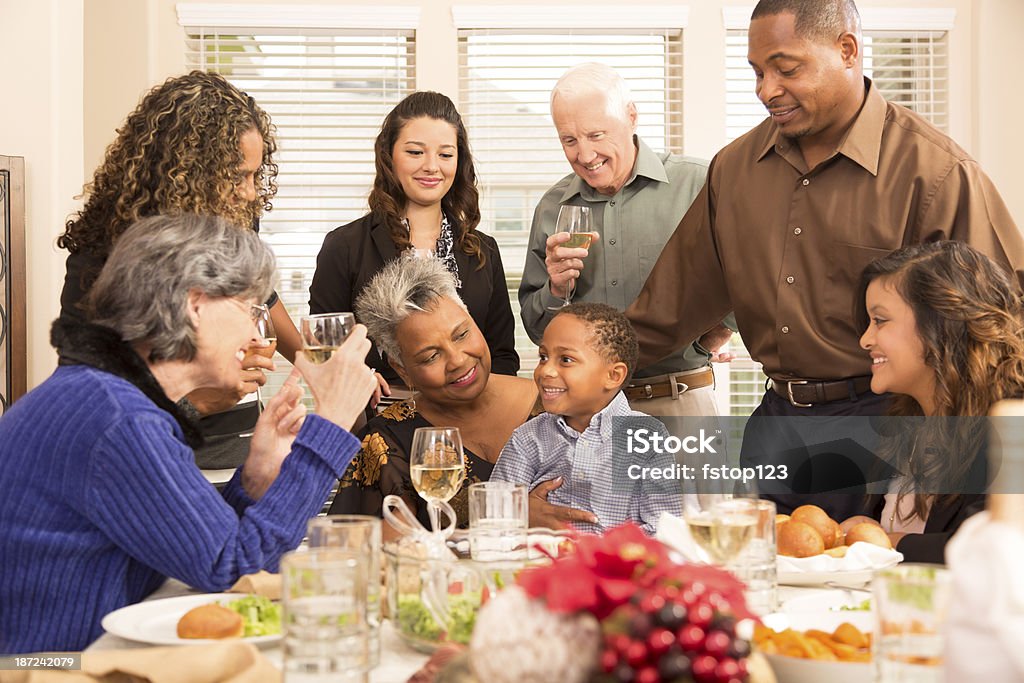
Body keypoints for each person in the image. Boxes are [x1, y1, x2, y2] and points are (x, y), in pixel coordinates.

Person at [625, 0, 1023, 519]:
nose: (766, 89)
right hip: (774, 427)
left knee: (873, 586)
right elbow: (667, 308)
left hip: (887, 426)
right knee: (763, 584)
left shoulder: (938, 175)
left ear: (847, 50)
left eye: (786, 69)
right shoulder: (733, 170)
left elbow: (1002, 329)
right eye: (757, 71)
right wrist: (572, 376)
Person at [0, 215, 377, 653]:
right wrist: (330, 423)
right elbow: (238, 570)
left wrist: (254, 480)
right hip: (45, 670)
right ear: (194, 305)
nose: (257, 333)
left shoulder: (109, 398)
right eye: (250, 309)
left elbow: (201, 550)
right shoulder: (118, 417)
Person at [57, 70, 300, 471]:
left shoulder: (234, 226)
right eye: (239, 175)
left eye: (256, 175)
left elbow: (263, 303)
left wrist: (318, 367)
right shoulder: (102, 261)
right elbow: (88, 403)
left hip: (240, 463)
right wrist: (199, 402)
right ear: (190, 171)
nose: (251, 192)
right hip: (157, 467)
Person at [518, 62, 734, 419]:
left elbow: (749, 276)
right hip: (587, 413)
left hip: (679, 402)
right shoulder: (553, 207)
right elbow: (537, 328)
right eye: (569, 140)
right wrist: (556, 290)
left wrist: (717, 332)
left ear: (631, 117)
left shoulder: (699, 184)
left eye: (597, 135)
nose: (585, 155)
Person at [309, 91, 519, 387]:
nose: (432, 166)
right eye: (415, 152)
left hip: (472, 424)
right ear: (389, 156)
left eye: (445, 154)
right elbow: (325, 351)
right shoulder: (344, 246)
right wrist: (363, 380)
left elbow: (502, 356)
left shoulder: (483, 250)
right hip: (378, 423)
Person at [329, 257, 540, 535]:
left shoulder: (554, 405)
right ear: (402, 370)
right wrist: (515, 514)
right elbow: (362, 547)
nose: (458, 360)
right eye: (431, 356)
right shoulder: (388, 439)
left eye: (462, 334)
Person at [847, 241, 1024, 563]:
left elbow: (998, 555)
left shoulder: (1012, 425)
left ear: (942, 324)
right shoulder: (903, 422)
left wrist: (890, 544)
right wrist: (867, 528)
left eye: (881, 320)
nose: (865, 339)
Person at [491, 303, 682, 535]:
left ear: (613, 376)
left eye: (566, 360)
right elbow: (492, 517)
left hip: (615, 567)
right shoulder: (528, 438)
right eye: (543, 357)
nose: (545, 371)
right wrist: (520, 514)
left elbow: (664, 530)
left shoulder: (647, 437)